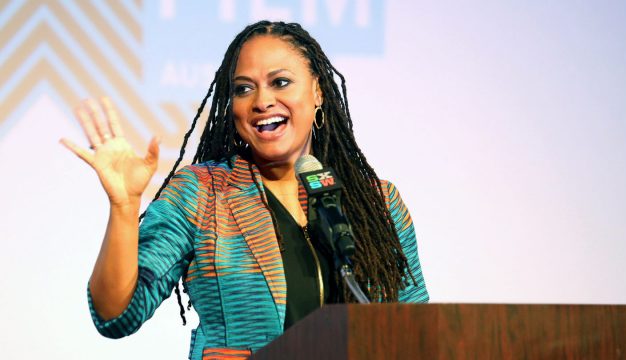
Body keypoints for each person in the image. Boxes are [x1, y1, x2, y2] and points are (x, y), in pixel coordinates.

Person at [61, 21, 428, 359]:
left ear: (317, 91)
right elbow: (116, 315)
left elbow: (418, 335)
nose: (261, 101)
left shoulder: (377, 203)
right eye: (243, 89)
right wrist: (124, 207)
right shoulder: (202, 193)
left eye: (280, 82)